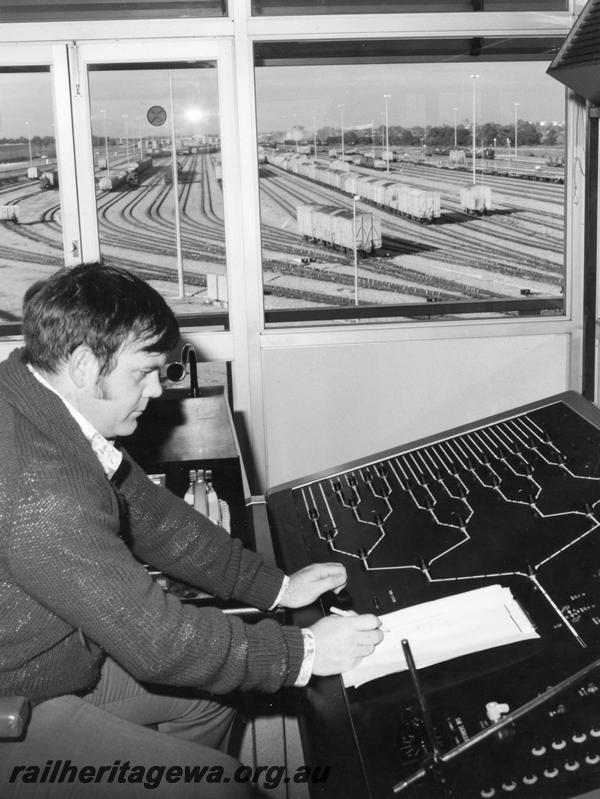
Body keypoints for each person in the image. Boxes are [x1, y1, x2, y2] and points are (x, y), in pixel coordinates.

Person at [0, 264, 383, 798]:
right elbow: (158, 644)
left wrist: (276, 587)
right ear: (84, 365)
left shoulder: (31, 395)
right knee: (222, 788)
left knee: (211, 700)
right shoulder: (42, 487)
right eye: (144, 371)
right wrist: (306, 652)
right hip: (18, 698)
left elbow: (153, 517)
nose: (158, 389)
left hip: (54, 657)